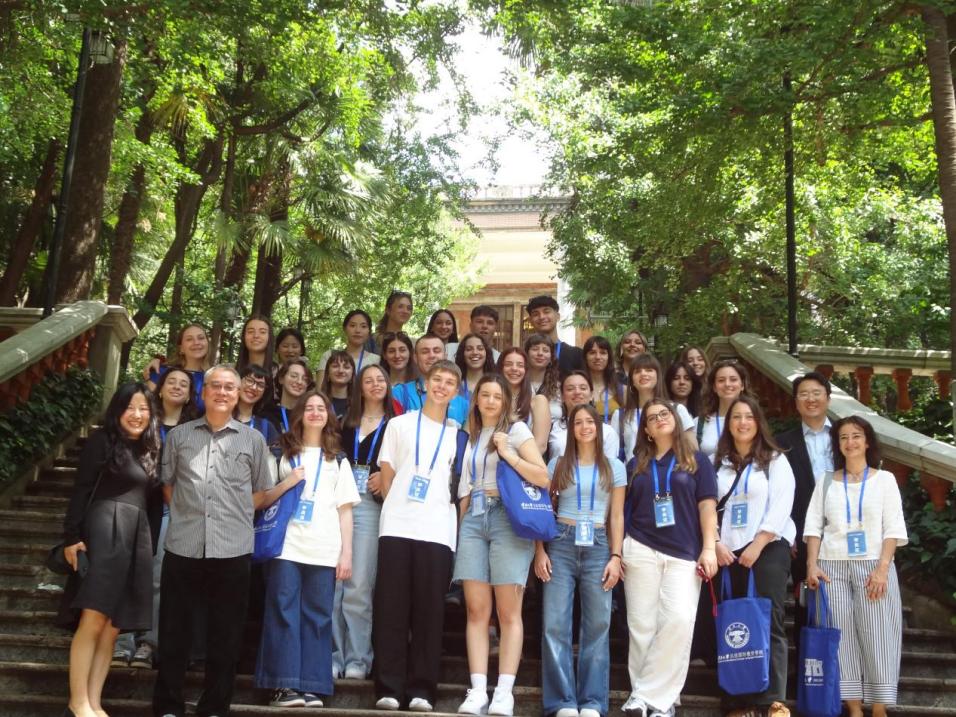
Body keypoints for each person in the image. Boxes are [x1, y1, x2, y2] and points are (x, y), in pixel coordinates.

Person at [151, 365, 293, 717]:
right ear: (203, 392)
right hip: (183, 544)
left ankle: (214, 707)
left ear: (237, 394)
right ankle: (168, 705)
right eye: (215, 385)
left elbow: (260, 492)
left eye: (230, 387)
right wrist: (188, 513)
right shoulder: (180, 436)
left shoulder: (253, 439)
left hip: (233, 547)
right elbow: (168, 485)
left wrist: (233, 515)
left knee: (226, 634)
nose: (222, 392)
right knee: (174, 630)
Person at [59, 383, 161, 717]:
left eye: (143, 408)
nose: (137, 414)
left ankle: (94, 701)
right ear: (117, 410)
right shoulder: (101, 441)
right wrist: (72, 537)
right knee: (94, 616)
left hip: (136, 537)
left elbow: (154, 502)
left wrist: (149, 546)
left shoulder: (151, 448)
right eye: (130, 407)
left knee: (113, 626)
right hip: (103, 529)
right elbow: (81, 489)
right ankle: (77, 702)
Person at [453, 375, 550, 716]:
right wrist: (460, 529)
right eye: (485, 395)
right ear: (476, 399)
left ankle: (504, 692)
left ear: (506, 401)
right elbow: (465, 487)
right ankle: (478, 690)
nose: (491, 401)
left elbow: (543, 477)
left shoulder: (517, 430)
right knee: (476, 610)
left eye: (498, 396)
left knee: (508, 612)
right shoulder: (470, 435)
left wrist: (507, 453)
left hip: (507, 518)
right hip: (474, 518)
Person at [256, 390, 360, 708]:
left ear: (329, 416)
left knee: (319, 616)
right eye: (309, 408)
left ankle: (312, 685)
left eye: (321, 408)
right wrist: (288, 482)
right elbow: (261, 498)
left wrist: (346, 554)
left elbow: (345, 510)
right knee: (283, 612)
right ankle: (283, 685)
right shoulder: (280, 452)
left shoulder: (337, 458)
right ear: (299, 414)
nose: (315, 413)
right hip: (285, 546)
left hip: (324, 547)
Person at [372, 360, 462, 712]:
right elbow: (387, 475)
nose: (442, 386)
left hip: (438, 530)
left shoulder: (458, 434)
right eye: (437, 379)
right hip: (397, 525)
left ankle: (422, 688)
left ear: (456, 392)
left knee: (429, 612)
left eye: (449, 382)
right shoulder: (399, 424)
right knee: (391, 608)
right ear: (425, 383)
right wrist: (398, 507)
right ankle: (389, 687)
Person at [621, 399, 718, 717]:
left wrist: (709, 548)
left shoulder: (696, 460)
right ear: (646, 430)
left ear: (675, 420)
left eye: (665, 414)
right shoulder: (635, 464)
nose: (660, 419)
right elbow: (621, 510)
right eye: (652, 418)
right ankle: (648, 703)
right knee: (641, 625)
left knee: (678, 620)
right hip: (640, 547)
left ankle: (651, 696)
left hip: (684, 551)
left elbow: (707, 506)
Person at [804, 416, 907, 717]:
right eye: (844, 437)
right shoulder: (826, 481)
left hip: (873, 566)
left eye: (856, 435)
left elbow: (893, 527)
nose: (850, 442)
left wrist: (883, 569)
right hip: (831, 567)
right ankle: (853, 707)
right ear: (837, 444)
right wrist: (812, 565)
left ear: (868, 441)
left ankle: (879, 708)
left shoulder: (885, 479)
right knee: (841, 637)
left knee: (879, 635)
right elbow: (813, 526)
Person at [535, 404, 625, 717]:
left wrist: (616, 556)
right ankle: (562, 701)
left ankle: (592, 702)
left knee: (598, 624)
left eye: (590, 422)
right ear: (570, 429)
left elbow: (616, 515)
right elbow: (542, 509)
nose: (585, 427)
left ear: (599, 428)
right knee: (555, 624)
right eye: (578, 423)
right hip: (561, 542)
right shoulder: (557, 464)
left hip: (599, 544)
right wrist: (539, 550)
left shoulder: (614, 466)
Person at [713, 396, 795, 717]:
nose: (743, 422)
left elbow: (781, 505)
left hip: (768, 548)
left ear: (758, 422)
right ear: (728, 423)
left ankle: (772, 700)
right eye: (736, 417)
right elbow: (706, 505)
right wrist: (715, 543)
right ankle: (737, 699)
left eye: (749, 416)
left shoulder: (775, 460)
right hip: (727, 552)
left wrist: (758, 545)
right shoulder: (719, 463)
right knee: (734, 623)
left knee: (768, 620)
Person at [113, 370, 198, 670]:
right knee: (128, 573)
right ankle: (121, 640)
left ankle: (148, 644)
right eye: (171, 381)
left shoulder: (194, 428)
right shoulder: (144, 421)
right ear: (159, 389)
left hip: (171, 509)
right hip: (136, 505)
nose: (177, 387)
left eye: (184, 384)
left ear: (190, 395)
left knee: (159, 577)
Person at [333, 364, 398, 680]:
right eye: (368, 380)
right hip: (336, 506)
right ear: (359, 387)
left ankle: (358, 658)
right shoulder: (342, 422)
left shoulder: (396, 425)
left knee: (358, 584)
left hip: (371, 507)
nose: (375, 384)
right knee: (334, 584)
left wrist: (385, 477)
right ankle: (333, 655)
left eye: (380, 379)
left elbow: (405, 465)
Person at [775, 371, 833, 654]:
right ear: (796, 402)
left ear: (828, 398)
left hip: (843, 529)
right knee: (805, 599)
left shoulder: (846, 435)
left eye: (816, 393)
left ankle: (843, 669)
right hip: (802, 532)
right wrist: (789, 534)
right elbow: (779, 493)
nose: (811, 399)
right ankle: (806, 666)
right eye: (804, 394)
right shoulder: (783, 443)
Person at [613, 354, 697, 465]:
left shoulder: (677, 409)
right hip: (634, 473)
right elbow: (614, 457)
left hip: (673, 472)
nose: (643, 373)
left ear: (658, 376)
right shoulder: (620, 415)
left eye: (649, 370)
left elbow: (693, 449)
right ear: (632, 380)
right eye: (637, 371)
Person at [394, 334, 469, 426]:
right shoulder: (399, 393)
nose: (432, 355)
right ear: (415, 358)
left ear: (445, 356)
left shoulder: (463, 403)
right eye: (425, 352)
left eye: (437, 351)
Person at [548, 371, 620, 463]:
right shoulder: (551, 427)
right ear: (562, 396)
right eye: (570, 389)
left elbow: (611, 467)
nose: (577, 392)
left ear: (591, 395)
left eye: (583, 388)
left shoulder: (607, 431)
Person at [143, 323, 211, 414]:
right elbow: (147, 408)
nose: (196, 342)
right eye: (189, 339)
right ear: (181, 348)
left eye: (201, 338)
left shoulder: (212, 379)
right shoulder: (160, 372)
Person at [498, 347, 551, 454]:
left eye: (520, 365)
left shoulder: (538, 401)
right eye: (508, 364)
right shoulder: (493, 399)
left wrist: (513, 461)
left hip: (526, 461)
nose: (514, 368)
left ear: (526, 370)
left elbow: (540, 446)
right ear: (500, 368)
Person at [698, 359, 754, 460]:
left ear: (742, 385)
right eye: (721, 380)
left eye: (733, 379)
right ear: (714, 387)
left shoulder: (754, 420)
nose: (727, 384)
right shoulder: (700, 423)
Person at [317, 310, 380, 387]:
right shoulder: (330, 356)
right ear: (345, 329)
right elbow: (320, 390)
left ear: (369, 331)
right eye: (352, 325)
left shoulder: (377, 360)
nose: (358, 330)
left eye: (363, 326)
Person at [525, 296, 583, 375]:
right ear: (530, 321)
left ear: (558, 316)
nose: (541, 317)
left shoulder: (576, 355)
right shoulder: (524, 356)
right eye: (536, 314)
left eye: (546, 312)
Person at [234, 364, 282, 455]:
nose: (254, 387)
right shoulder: (221, 417)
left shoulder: (266, 427)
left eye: (260, 385)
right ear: (238, 382)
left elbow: (277, 458)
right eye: (249, 380)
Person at [263, 358, 313, 433]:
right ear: (281, 379)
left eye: (305, 379)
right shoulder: (268, 414)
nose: (299, 382)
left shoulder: (310, 414)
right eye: (294, 376)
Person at [583, 336, 620, 425]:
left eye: (603, 353)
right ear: (585, 357)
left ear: (609, 357)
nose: (598, 357)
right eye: (592, 353)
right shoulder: (578, 388)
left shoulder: (620, 389)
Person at [525, 333, 562, 423]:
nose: (540, 353)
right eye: (535, 349)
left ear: (551, 357)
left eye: (545, 350)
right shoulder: (517, 384)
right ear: (526, 354)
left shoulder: (559, 388)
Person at [455, 333, 497, 401]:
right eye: (469, 349)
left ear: (487, 353)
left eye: (480, 349)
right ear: (462, 354)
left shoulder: (497, 384)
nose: (475, 352)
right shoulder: (454, 385)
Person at [320, 350, 356, 419]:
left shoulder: (360, 404)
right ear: (328, 373)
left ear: (352, 375)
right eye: (335, 366)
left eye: (346, 367)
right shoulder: (318, 401)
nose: (341, 370)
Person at [237, 315, 275, 380]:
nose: (256, 336)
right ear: (243, 336)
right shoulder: (231, 373)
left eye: (262, 332)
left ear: (270, 337)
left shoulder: (279, 373)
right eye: (250, 332)